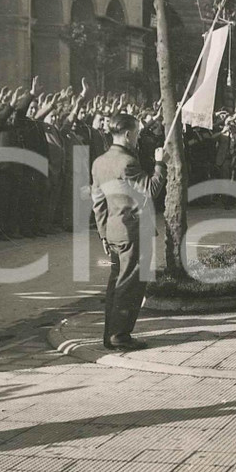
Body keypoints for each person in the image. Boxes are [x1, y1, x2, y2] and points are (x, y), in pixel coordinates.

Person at [90, 114, 167, 351]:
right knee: (131, 284)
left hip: (114, 230)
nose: (136, 138)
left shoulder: (99, 162)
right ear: (127, 134)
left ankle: (110, 334)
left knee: (117, 283)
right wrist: (160, 164)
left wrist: (103, 233)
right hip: (132, 230)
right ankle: (120, 335)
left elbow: (98, 202)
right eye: (136, 133)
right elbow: (151, 189)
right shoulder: (127, 163)